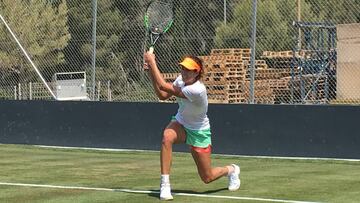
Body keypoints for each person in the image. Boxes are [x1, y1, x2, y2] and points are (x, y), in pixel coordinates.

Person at [144, 51, 240, 201]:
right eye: (183, 68)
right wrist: (151, 71)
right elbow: (162, 95)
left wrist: (152, 62)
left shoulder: (197, 90)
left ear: (197, 73)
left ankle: (232, 170)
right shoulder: (180, 80)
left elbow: (163, 84)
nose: (185, 72)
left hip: (199, 131)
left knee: (207, 177)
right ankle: (165, 185)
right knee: (167, 137)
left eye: (189, 70)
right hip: (181, 123)